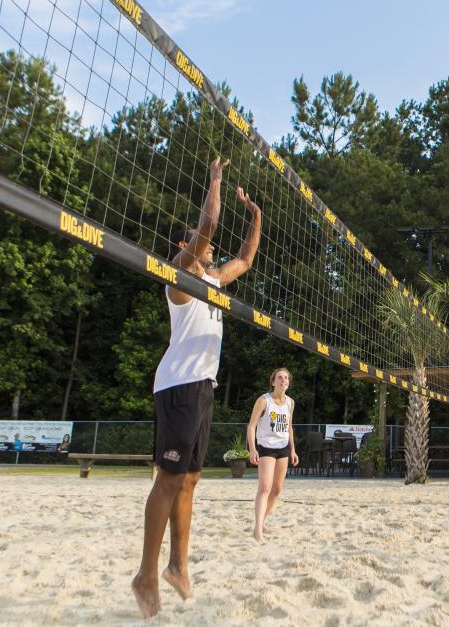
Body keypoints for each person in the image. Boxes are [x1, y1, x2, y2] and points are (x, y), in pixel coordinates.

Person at [132, 157, 261, 619]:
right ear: (184, 248)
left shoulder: (213, 279)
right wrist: (215, 180)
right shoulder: (180, 280)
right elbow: (207, 224)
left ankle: (177, 567)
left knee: (190, 479)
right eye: (199, 244)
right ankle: (146, 573)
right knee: (168, 479)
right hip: (179, 385)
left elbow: (245, 259)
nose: (209, 248)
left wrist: (256, 214)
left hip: (203, 386)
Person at [246, 367, 298, 541]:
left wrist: (293, 449)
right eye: (280, 378)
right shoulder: (264, 400)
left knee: (276, 490)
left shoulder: (290, 402)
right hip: (266, 447)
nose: (283, 381)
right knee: (265, 488)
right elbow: (251, 426)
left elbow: (289, 427)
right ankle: (257, 531)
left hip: (283, 447)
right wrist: (253, 449)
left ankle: (262, 522)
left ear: (288, 383)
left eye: (286, 378)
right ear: (273, 382)